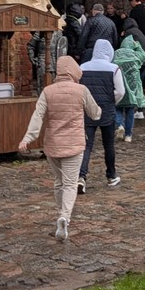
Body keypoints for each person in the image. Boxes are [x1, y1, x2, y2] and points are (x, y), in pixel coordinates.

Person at [18, 54, 101, 242]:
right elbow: (94, 113)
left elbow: (37, 116)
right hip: (74, 143)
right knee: (71, 183)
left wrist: (28, 138)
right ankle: (64, 217)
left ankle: (60, 213)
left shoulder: (48, 91)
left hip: (53, 144)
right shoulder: (81, 90)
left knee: (58, 181)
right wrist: (99, 112)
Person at [76, 38, 125, 191]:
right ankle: (111, 175)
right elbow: (120, 91)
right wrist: (112, 101)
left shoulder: (82, 67)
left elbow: (79, 89)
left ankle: (81, 176)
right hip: (107, 111)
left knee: (86, 146)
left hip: (88, 111)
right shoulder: (114, 68)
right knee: (108, 145)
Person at [113, 24, 145, 142]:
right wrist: (137, 45)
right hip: (132, 86)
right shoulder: (135, 54)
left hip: (119, 84)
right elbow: (144, 56)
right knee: (129, 111)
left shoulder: (116, 53)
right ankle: (128, 135)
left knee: (117, 108)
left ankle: (119, 125)